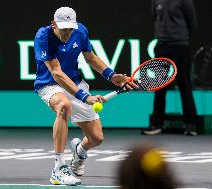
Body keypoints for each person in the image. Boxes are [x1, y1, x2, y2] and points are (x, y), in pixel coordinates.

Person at [33, 7, 135, 186]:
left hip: (75, 82)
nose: (67, 32)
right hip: (49, 84)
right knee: (64, 106)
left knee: (96, 138)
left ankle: (80, 151)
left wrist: (112, 76)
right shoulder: (43, 36)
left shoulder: (80, 31)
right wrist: (84, 97)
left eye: (70, 28)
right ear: (54, 24)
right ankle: (59, 169)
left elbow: (90, 58)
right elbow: (57, 73)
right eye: (64, 28)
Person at [143, 0, 198, 136]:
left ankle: (191, 125)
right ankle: (156, 124)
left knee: (185, 86)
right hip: (162, 46)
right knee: (160, 87)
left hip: (180, 47)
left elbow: (192, 23)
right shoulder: (156, 1)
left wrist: (181, 39)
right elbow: (155, 18)